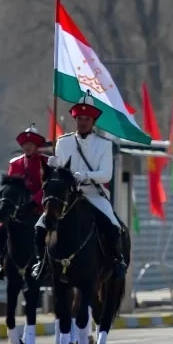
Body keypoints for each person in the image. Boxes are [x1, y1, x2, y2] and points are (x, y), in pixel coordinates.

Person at [32, 94, 127, 280]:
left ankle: (117, 260)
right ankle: (41, 262)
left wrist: (85, 176)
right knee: (40, 226)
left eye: (87, 119)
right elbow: (59, 171)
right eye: (80, 119)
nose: (83, 123)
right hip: (67, 196)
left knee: (113, 225)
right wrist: (53, 166)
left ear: (93, 122)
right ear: (75, 119)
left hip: (93, 194)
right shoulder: (63, 142)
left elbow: (106, 174)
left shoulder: (104, 145)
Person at [0, 125, 51, 280]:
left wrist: (34, 202)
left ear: (36, 146)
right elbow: (11, 186)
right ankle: (2, 264)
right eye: (25, 144)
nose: (27, 147)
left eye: (31, 144)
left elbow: (47, 187)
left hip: (40, 208)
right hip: (18, 209)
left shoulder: (46, 162)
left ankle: (46, 263)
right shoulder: (15, 163)